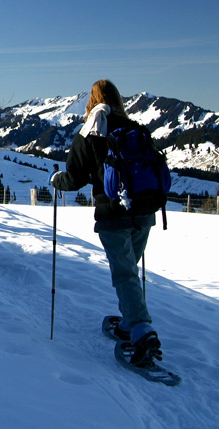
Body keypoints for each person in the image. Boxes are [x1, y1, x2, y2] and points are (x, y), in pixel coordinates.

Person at [50, 79, 162, 366]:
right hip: (145, 211)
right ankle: (129, 322)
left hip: (113, 213)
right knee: (129, 271)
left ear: (92, 101)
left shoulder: (90, 132)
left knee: (124, 274)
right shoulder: (136, 128)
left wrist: (56, 180)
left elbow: (75, 178)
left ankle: (141, 330)